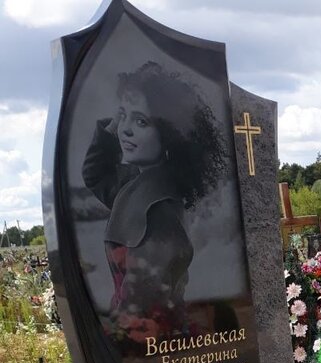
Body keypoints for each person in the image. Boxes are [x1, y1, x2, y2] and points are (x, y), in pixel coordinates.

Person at [82, 61, 226, 342]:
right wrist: (111, 128)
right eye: (123, 116)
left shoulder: (157, 207)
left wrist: (116, 340)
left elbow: (142, 299)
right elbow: (95, 175)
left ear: (169, 135)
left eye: (141, 121)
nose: (126, 129)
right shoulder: (137, 182)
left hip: (149, 340)